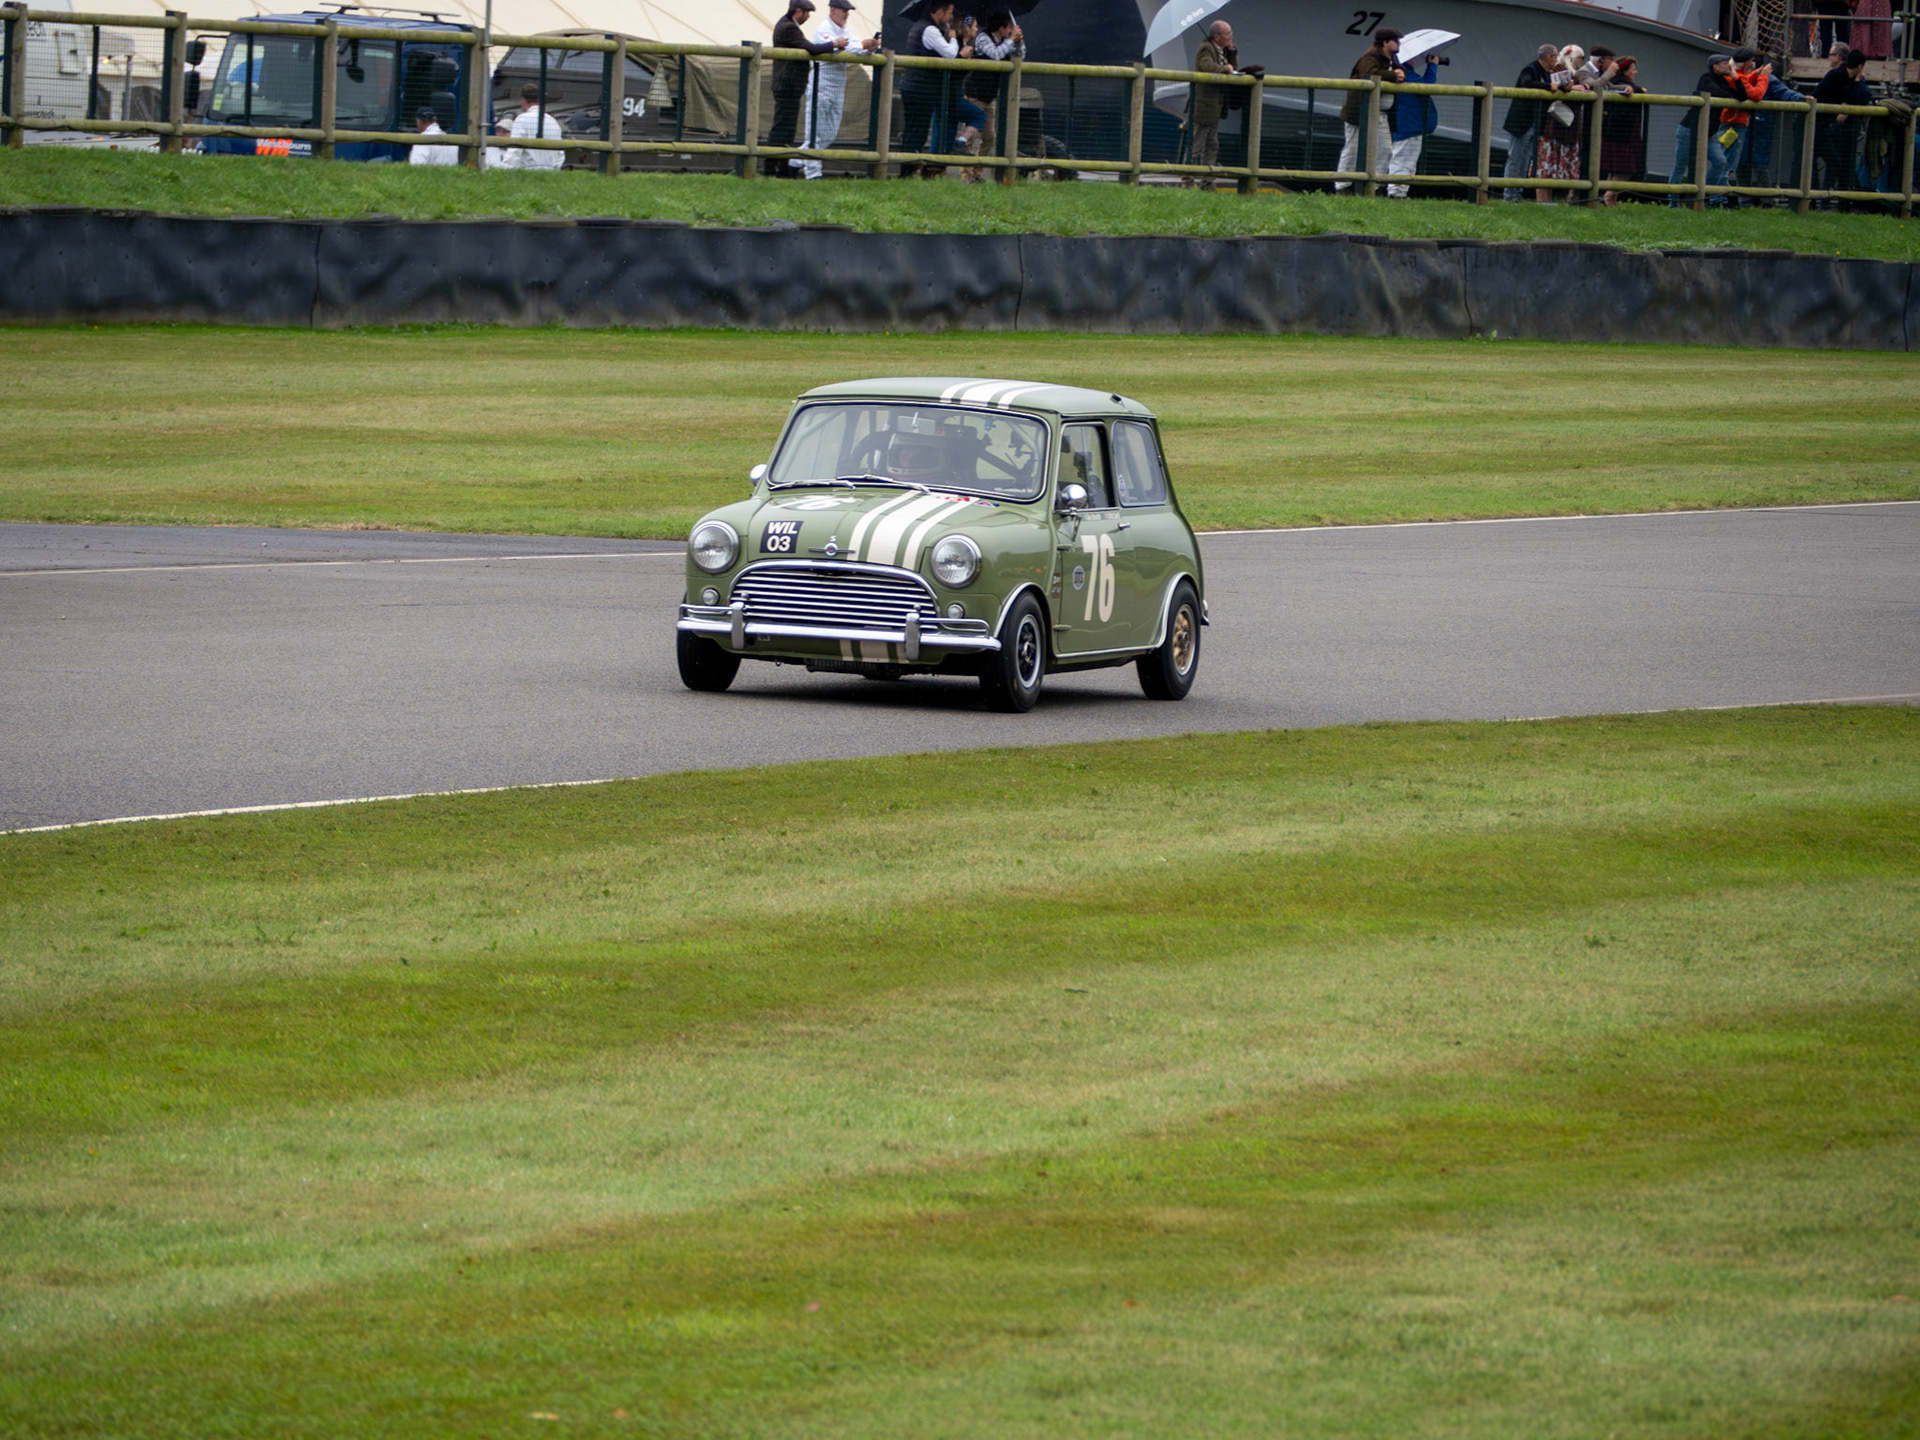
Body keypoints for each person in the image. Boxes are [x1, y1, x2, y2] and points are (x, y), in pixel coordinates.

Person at [793, 0, 877, 178]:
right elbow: (838, 47)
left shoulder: (844, 30)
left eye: (848, 11)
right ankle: (813, 174)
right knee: (814, 133)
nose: (847, 14)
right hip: (820, 87)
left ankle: (792, 162)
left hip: (837, 88)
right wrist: (861, 46)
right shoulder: (824, 28)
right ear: (833, 10)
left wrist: (868, 47)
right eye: (844, 10)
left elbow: (854, 46)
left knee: (829, 134)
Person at [769, 0, 845, 177]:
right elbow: (810, 48)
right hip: (788, 83)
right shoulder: (789, 27)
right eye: (807, 13)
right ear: (798, 11)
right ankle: (775, 167)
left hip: (788, 84)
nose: (808, 17)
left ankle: (780, 166)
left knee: (785, 127)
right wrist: (834, 44)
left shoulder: (786, 24)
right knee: (783, 128)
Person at [898, 1, 971, 176]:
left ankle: (908, 172)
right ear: (939, 12)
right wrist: (953, 37)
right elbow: (950, 54)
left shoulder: (920, 26)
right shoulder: (929, 30)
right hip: (920, 88)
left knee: (913, 130)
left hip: (914, 86)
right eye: (949, 13)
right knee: (917, 132)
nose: (950, 17)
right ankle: (906, 173)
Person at [1665, 54, 1740, 204]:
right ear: (1715, 66)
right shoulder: (1705, 79)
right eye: (1724, 63)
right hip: (1690, 129)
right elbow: (1717, 93)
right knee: (1681, 165)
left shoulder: (1726, 81)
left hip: (1710, 131)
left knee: (1720, 161)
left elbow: (1741, 96)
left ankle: (1703, 195)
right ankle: (1673, 202)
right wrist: (1730, 94)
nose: (1728, 66)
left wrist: (1736, 78)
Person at [1337, 27, 1402, 193]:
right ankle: (1343, 185)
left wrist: (1401, 72)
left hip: (1379, 112)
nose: (1399, 43)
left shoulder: (1392, 58)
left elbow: (1399, 71)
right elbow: (1369, 73)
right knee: (1352, 148)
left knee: (1385, 149)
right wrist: (1394, 76)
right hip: (1359, 111)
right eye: (1396, 40)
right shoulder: (1371, 56)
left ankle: (1376, 185)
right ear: (1386, 42)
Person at [962, 10, 1024, 183]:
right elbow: (995, 56)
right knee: (969, 137)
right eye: (1009, 28)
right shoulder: (983, 37)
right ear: (1001, 28)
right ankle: (966, 175)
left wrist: (1020, 42)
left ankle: (976, 172)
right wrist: (1011, 41)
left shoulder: (1006, 41)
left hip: (988, 97)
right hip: (974, 93)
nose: (1011, 32)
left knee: (989, 137)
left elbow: (1021, 56)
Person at [1189, 19, 1244, 185]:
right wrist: (1224, 69)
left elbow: (1233, 68)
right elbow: (1207, 66)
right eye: (1228, 34)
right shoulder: (1206, 48)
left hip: (1214, 107)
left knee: (1212, 145)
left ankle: (1207, 181)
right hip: (1204, 105)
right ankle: (1188, 180)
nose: (1231, 36)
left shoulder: (1221, 50)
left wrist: (1232, 52)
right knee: (1196, 145)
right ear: (1217, 37)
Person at [1501, 43, 1558, 200]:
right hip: (1521, 123)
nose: (1557, 59)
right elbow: (1526, 82)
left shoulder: (1547, 73)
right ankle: (1510, 195)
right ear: (1548, 57)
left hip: (1534, 123)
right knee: (1516, 159)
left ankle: (1517, 193)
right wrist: (1547, 86)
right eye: (1555, 56)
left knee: (1525, 160)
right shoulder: (1531, 69)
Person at [1814, 47, 1872, 200]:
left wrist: (1857, 84)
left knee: (1832, 161)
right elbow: (1851, 96)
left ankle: (1821, 198)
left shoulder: (1846, 77)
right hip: (1816, 124)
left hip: (1826, 124)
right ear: (1860, 66)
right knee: (1822, 162)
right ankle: (1819, 198)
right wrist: (1858, 82)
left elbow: (1863, 97)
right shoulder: (1838, 76)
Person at [1533, 47, 1589, 203]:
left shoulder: (1571, 73)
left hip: (1566, 127)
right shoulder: (1560, 70)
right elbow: (1561, 86)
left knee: (1553, 166)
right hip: (1556, 126)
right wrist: (1573, 88)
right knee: (1547, 166)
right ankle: (1542, 200)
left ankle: (1548, 201)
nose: (1581, 61)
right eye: (1580, 57)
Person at [1386, 46, 1439, 198]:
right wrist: (1432, 66)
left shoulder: (1405, 73)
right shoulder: (1406, 74)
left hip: (1409, 125)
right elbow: (1427, 87)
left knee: (1407, 161)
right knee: (1403, 160)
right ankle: (1396, 193)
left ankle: (1400, 192)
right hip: (1409, 125)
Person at [1598, 55, 1646, 202]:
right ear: (1625, 71)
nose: (1635, 72)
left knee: (1617, 169)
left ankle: (1610, 198)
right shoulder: (1620, 85)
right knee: (1625, 169)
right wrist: (1639, 90)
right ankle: (1609, 198)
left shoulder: (1621, 85)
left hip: (1621, 133)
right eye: (1633, 69)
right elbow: (1624, 89)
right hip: (1622, 135)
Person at [497, 82, 564, 170]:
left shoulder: (521, 120)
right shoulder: (553, 121)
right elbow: (560, 154)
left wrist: (503, 170)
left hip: (527, 172)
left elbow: (514, 151)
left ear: (523, 100)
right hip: (550, 174)